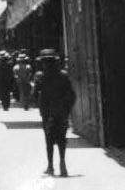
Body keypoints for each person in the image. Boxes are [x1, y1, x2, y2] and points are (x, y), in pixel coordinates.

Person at [33, 49, 76, 177]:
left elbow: (34, 94)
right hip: (61, 111)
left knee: (49, 139)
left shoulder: (40, 76)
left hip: (47, 112)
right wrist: (67, 110)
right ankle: (62, 164)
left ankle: (50, 166)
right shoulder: (63, 75)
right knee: (62, 138)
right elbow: (72, 95)